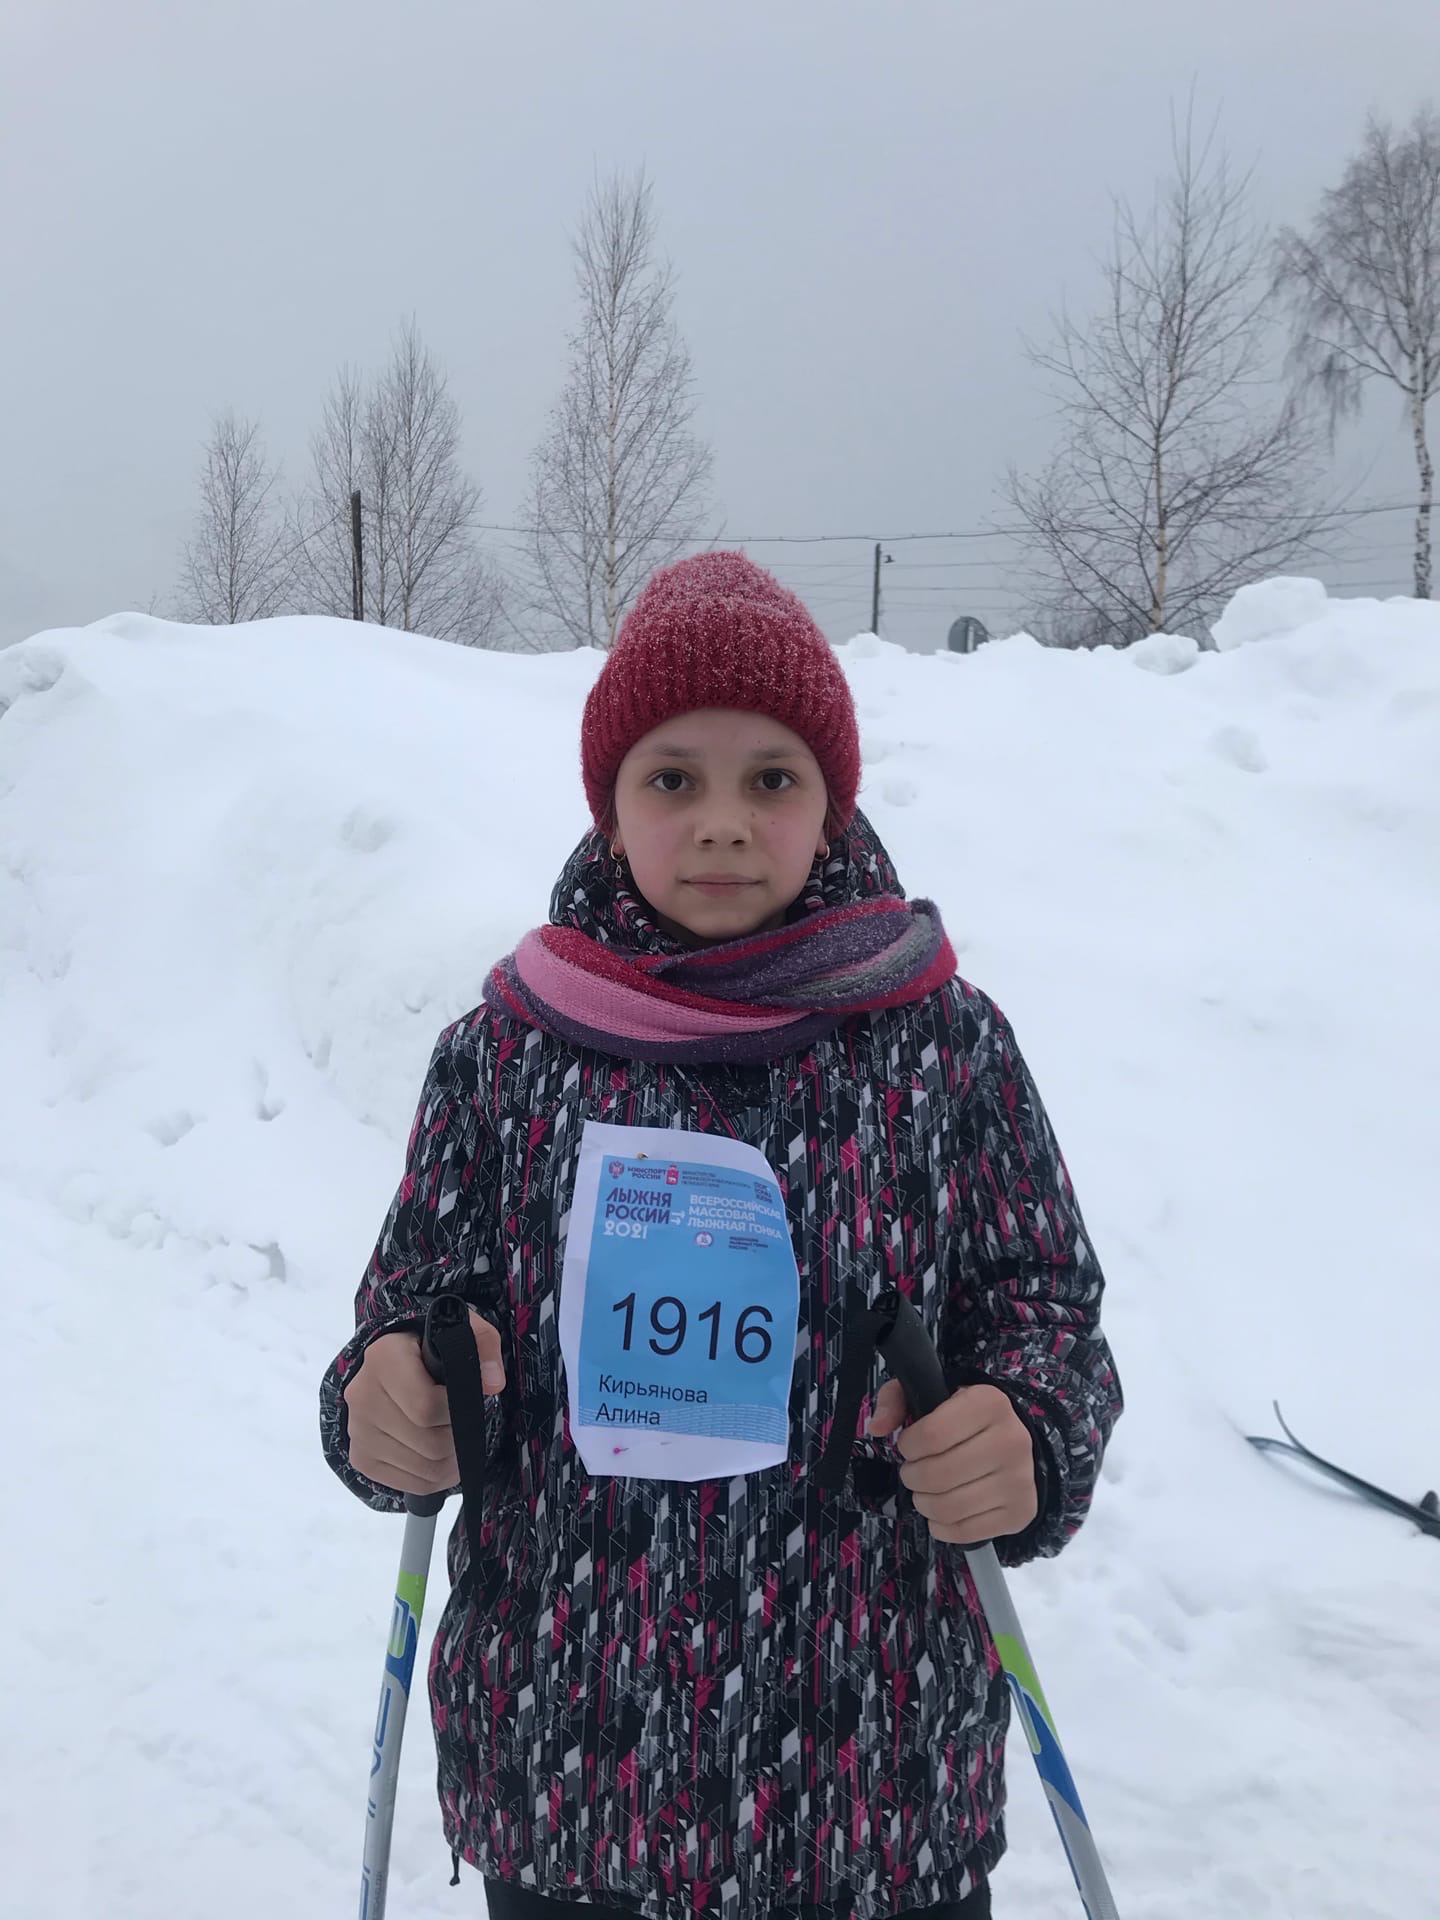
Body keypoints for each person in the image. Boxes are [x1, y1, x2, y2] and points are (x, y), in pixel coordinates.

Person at [320, 551, 1122, 1920]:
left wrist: (1029, 1432)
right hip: (572, 1777)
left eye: (772, 779)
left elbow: (1044, 1305)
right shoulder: (505, 1056)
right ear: (611, 806)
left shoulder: (943, 1043)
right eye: (673, 779)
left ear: (831, 804)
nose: (724, 824)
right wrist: (386, 1399)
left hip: (875, 1785)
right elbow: (409, 1314)